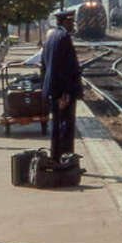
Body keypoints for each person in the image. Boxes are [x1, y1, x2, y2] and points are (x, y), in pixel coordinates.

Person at [41, 9, 83, 159]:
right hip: (63, 91)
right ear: (65, 22)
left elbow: (44, 65)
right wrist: (65, 93)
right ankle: (66, 158)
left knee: (56, 125)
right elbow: (64, 68)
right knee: (66, 125)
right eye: (71, 22)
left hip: (52, 88)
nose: (73, 25)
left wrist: (46, 88)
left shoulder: (50, 36)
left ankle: (56, 156)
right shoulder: (64, 37)